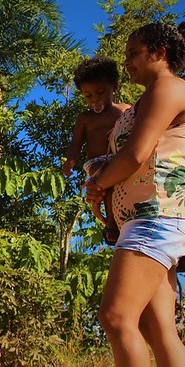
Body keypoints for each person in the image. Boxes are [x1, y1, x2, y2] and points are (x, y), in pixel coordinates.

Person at [85, 21, 185, 367]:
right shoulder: (144, 99)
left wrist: (99, 181)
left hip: (158, 217)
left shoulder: (169, 88)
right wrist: (102, 179)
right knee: (158, 329)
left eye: (134, 53)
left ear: (159, 52)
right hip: (147, 219)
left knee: (116, 317)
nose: (127, 62)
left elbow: (136, 154)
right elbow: (127, 153)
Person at [62, 57, 130, 245]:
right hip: (96, 163)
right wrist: (70, 161)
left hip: (118, 159)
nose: (95, 99)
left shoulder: (125, 111)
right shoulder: (85, 118)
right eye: (88, 96)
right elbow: (76, 142)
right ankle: (111, 223)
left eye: (100, 92)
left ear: (114, 88)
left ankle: (122, 218)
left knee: (118, 181)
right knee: (104, 180)